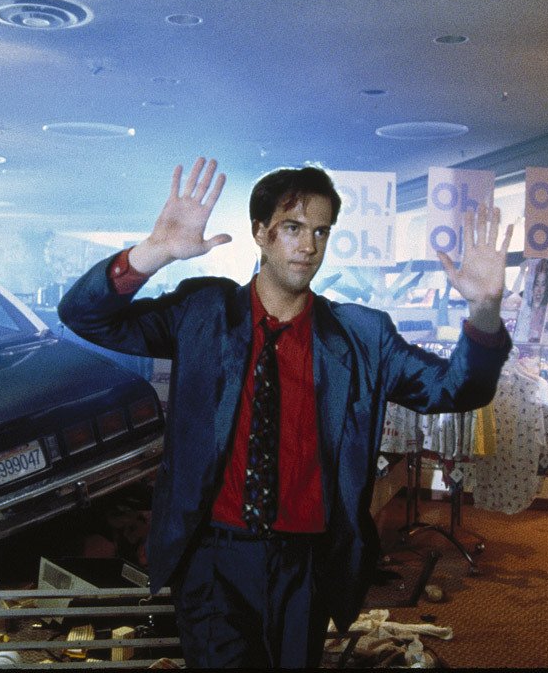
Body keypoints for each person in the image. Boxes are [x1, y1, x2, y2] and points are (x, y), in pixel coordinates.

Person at [58, 157, 514, 668]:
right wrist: (153, 252)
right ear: (261, 232)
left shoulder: (362, 336)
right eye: (293, 228)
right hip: (213, 559)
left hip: (308, 564)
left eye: (321, 231)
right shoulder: (204, 312)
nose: (308, 246)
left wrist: (484, 311)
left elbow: (457, 389)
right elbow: (82, 316)